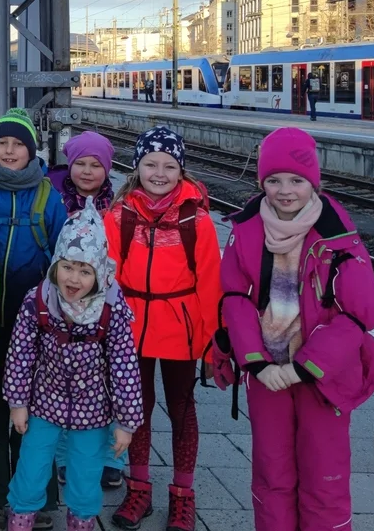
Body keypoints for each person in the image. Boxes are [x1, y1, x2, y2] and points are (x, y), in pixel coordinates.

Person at [212, 128, 374, 531]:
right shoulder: (248, 228)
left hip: (321, 377)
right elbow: (235, 297)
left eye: (296, 180)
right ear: (261, 182)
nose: (284, 191)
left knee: (324, 475)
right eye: (273, 180)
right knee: (272, 473)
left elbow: (360, 315)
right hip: (267, 372)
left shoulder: (340, 239)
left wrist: (303, 366)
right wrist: (255, 363)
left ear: (314, 182)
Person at [103, 126, 222, 531]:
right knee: (136, 411)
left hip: (182, 331)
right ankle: (139, 489)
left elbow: (210, 284)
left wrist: (211, 347)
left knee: (183, 412)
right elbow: (108, 278)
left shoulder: (198, 220)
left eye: (169, 166)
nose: (159, 172)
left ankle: (183, 495)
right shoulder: (118, 216)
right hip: (131, 329)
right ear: (136, 168)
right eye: (150, 164)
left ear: (181, 170)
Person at [3, 198, 144, 531]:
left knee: (85, 474)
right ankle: (21, 517)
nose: (74, 278)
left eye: (85, 271)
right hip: (44, 403)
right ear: (55, 266)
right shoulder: (38, 300)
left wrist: (127, 421)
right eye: (67, 267)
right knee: (31, 468)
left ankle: (82, 521)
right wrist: (18, 402)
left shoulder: (112, 308)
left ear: (99, 272)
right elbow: (21, 353)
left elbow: (125, 366)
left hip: (93, 409)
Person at [0, 108, 68, 531]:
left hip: (35, 325)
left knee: (35, 413)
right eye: (1, 144)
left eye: (17, 144)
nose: (9, 151)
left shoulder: (47, 197)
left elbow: (65, 255)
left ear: (30, 151)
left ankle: (37, 497)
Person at [46, 130, 127, 490]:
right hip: (62, 302)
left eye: (96, 165)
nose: (88, 171)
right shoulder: (52, 198)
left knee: (108, 378)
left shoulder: (120, 205)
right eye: (80, 163)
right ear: (69, 164)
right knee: (62, 379)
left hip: (106, 305)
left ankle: (112, 457)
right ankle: (64, 457)